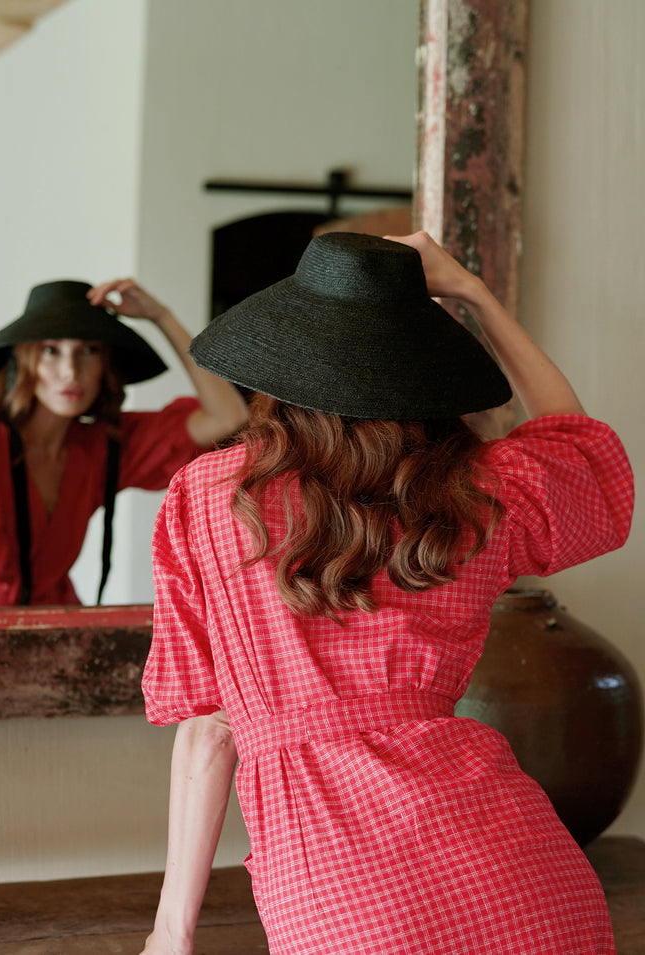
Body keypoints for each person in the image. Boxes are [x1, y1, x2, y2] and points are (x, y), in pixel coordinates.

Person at [138, 231, 634, 954]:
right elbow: (581, 449)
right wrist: (472, 292)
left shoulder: (210, 497)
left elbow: (209, 730)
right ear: (427, 378)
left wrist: (171, 931)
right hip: (527, 881)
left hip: (346, 897)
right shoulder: (467, 493)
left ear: (282, 361)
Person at [0, 278, 248, 608]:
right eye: (51, 350)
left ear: (105, 366)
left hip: (60, 631)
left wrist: (161, 316)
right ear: (23, 360)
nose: (71, 371)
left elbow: (227, 417)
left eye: (89, 351)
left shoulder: (97, 448)